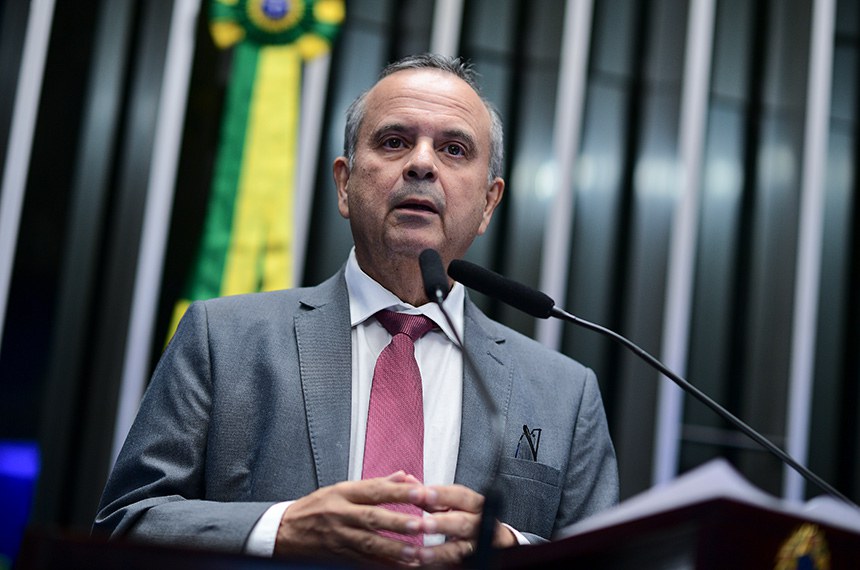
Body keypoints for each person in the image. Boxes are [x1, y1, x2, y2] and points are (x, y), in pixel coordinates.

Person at [94, 53, 619, 566]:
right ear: (345, 184)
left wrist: (512, 551)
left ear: (487, 204)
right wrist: (281, 529)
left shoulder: (564, 394)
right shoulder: (222, 338)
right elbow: (124, 525)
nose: (421, 163)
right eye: (394, 142)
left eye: (454, 149)